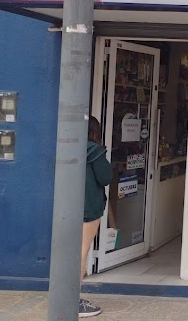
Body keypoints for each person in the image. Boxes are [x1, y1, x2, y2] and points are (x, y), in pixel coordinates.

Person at [80, 116, 112, 318]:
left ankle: (67, 297)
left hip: (67, 208)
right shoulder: (95, 151)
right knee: (81, 252)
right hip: (88, 208)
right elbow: (106, 177)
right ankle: (72, 300)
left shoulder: (66, 147)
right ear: (94, 132)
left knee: (70, 251)